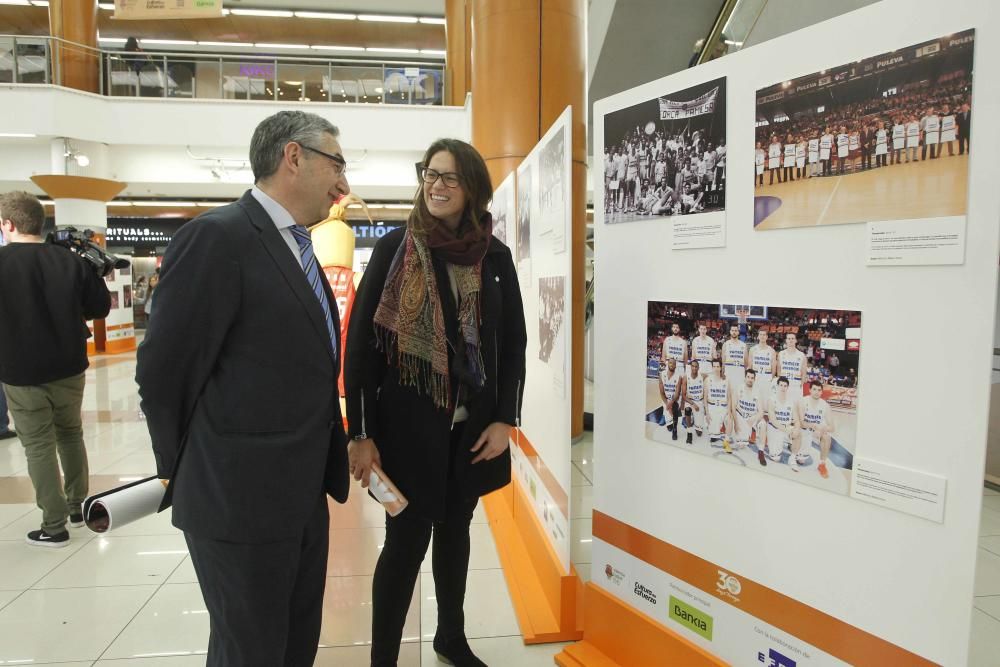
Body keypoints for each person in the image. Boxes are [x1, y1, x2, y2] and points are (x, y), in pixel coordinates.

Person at [136, 111, 352, 667]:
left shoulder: (298, 246)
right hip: (239, 501)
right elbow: (164, 372)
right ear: (294, 157)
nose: (343, 184)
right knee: (250, 650)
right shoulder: (218, 238)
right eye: (337, 163)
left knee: (291, 643)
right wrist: (182, 469)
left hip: (300, 494)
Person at [345, 138, 527, 667]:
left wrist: (504, 420)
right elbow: (360, 347)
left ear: (472, 188)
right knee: (404, 545)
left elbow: (511, 344)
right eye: (430, 173)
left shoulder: (494, 257)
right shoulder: (395, 250)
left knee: (456, 535)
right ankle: (383, 659)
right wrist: (361, 431)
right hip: (406, 433)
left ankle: (451, 637)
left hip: (471, 432)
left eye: (449, 177)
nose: (436, 185)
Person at [0, 191, 111, 547]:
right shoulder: (70, 261)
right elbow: (99, 308)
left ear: (8, 224)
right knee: (70, 433)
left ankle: (54, 525)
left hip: (21, 370)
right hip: (69, 365)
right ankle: (78, 508)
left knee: (38, 445)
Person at [798, 381, 835, 479]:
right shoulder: (803, 401)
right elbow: (802, 422)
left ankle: (822, 464)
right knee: (801, 460)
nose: (816, 392)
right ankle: (792, 445)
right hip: (804, 430)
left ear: (822, 392)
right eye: (814, 389)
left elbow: (832, 427)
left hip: (817, 433)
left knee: (827, 437)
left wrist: (822, 430)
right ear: (809, 390)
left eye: (819, 390)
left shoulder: (825, 405)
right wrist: (814, 427)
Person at [659, 357, 684, 439]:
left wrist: (671, 403)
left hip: (675, 399)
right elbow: (662, 393)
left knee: (675, 407)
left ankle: (675, 429)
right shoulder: (662, 374)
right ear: (667, 364)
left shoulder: (679, 377)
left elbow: (677, 393)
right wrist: (667, 404)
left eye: (674, 363)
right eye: (670, 363)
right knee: (668, 426)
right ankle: (669, 420)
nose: (672, 365)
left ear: (676, 366)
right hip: (666, 399)